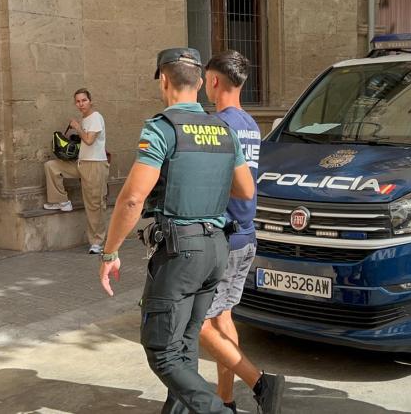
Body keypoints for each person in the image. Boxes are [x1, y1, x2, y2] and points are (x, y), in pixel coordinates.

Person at [97, 48, 255, 414]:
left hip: (181, 252)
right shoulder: (223, 130)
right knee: (184, 342)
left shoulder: (162, 128)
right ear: (200, 83)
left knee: (162, 351)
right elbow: (245, 189)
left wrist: (110, 252)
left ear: (164, 81)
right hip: (216, 249)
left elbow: (132, 199)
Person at [198, 51, 284, 414]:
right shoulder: (250, 124)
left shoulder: (217, 126)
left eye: (206, 80)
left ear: (215, 81)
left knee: (195, 321)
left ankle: (259, 382)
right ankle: (226, 400)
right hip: (246, 233)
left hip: (223, 236)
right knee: (223, 318)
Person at [44, 88, 109, 254]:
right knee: (52, 166)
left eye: (84, 100)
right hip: (81, 163)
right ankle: (62, 201)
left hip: (95, 165)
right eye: (78, 101)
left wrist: (77, 127)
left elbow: (89, 140)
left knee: (94, 205)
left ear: (90, 101)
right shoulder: (85, 119)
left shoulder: (95, 117)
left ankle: (97, 242)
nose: (81, 104)